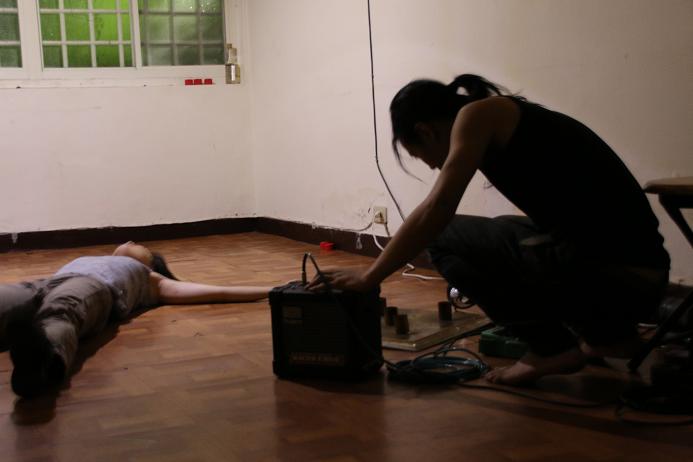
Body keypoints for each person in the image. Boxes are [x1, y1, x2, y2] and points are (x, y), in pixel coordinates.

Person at [308, 74, 670, 386]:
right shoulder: (500, 116)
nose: (432, 166)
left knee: (445, 237)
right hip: (640, 278)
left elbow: (437, 209)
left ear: (425, 130)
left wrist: (370, 276)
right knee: (510, 228)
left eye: (420, 155)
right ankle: (608, 336)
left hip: (620, 281)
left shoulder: (478, 116)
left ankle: (551, 349)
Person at [0, 241, 272, 398]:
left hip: (93, 288)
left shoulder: (149, 279)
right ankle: (28, 338)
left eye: (140, 245)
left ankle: (42, 363)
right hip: (46, 283)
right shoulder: (91, 258)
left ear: (149, 263)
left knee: (61, 312)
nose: (131, 242)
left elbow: (219, 292)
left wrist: (276, 290)